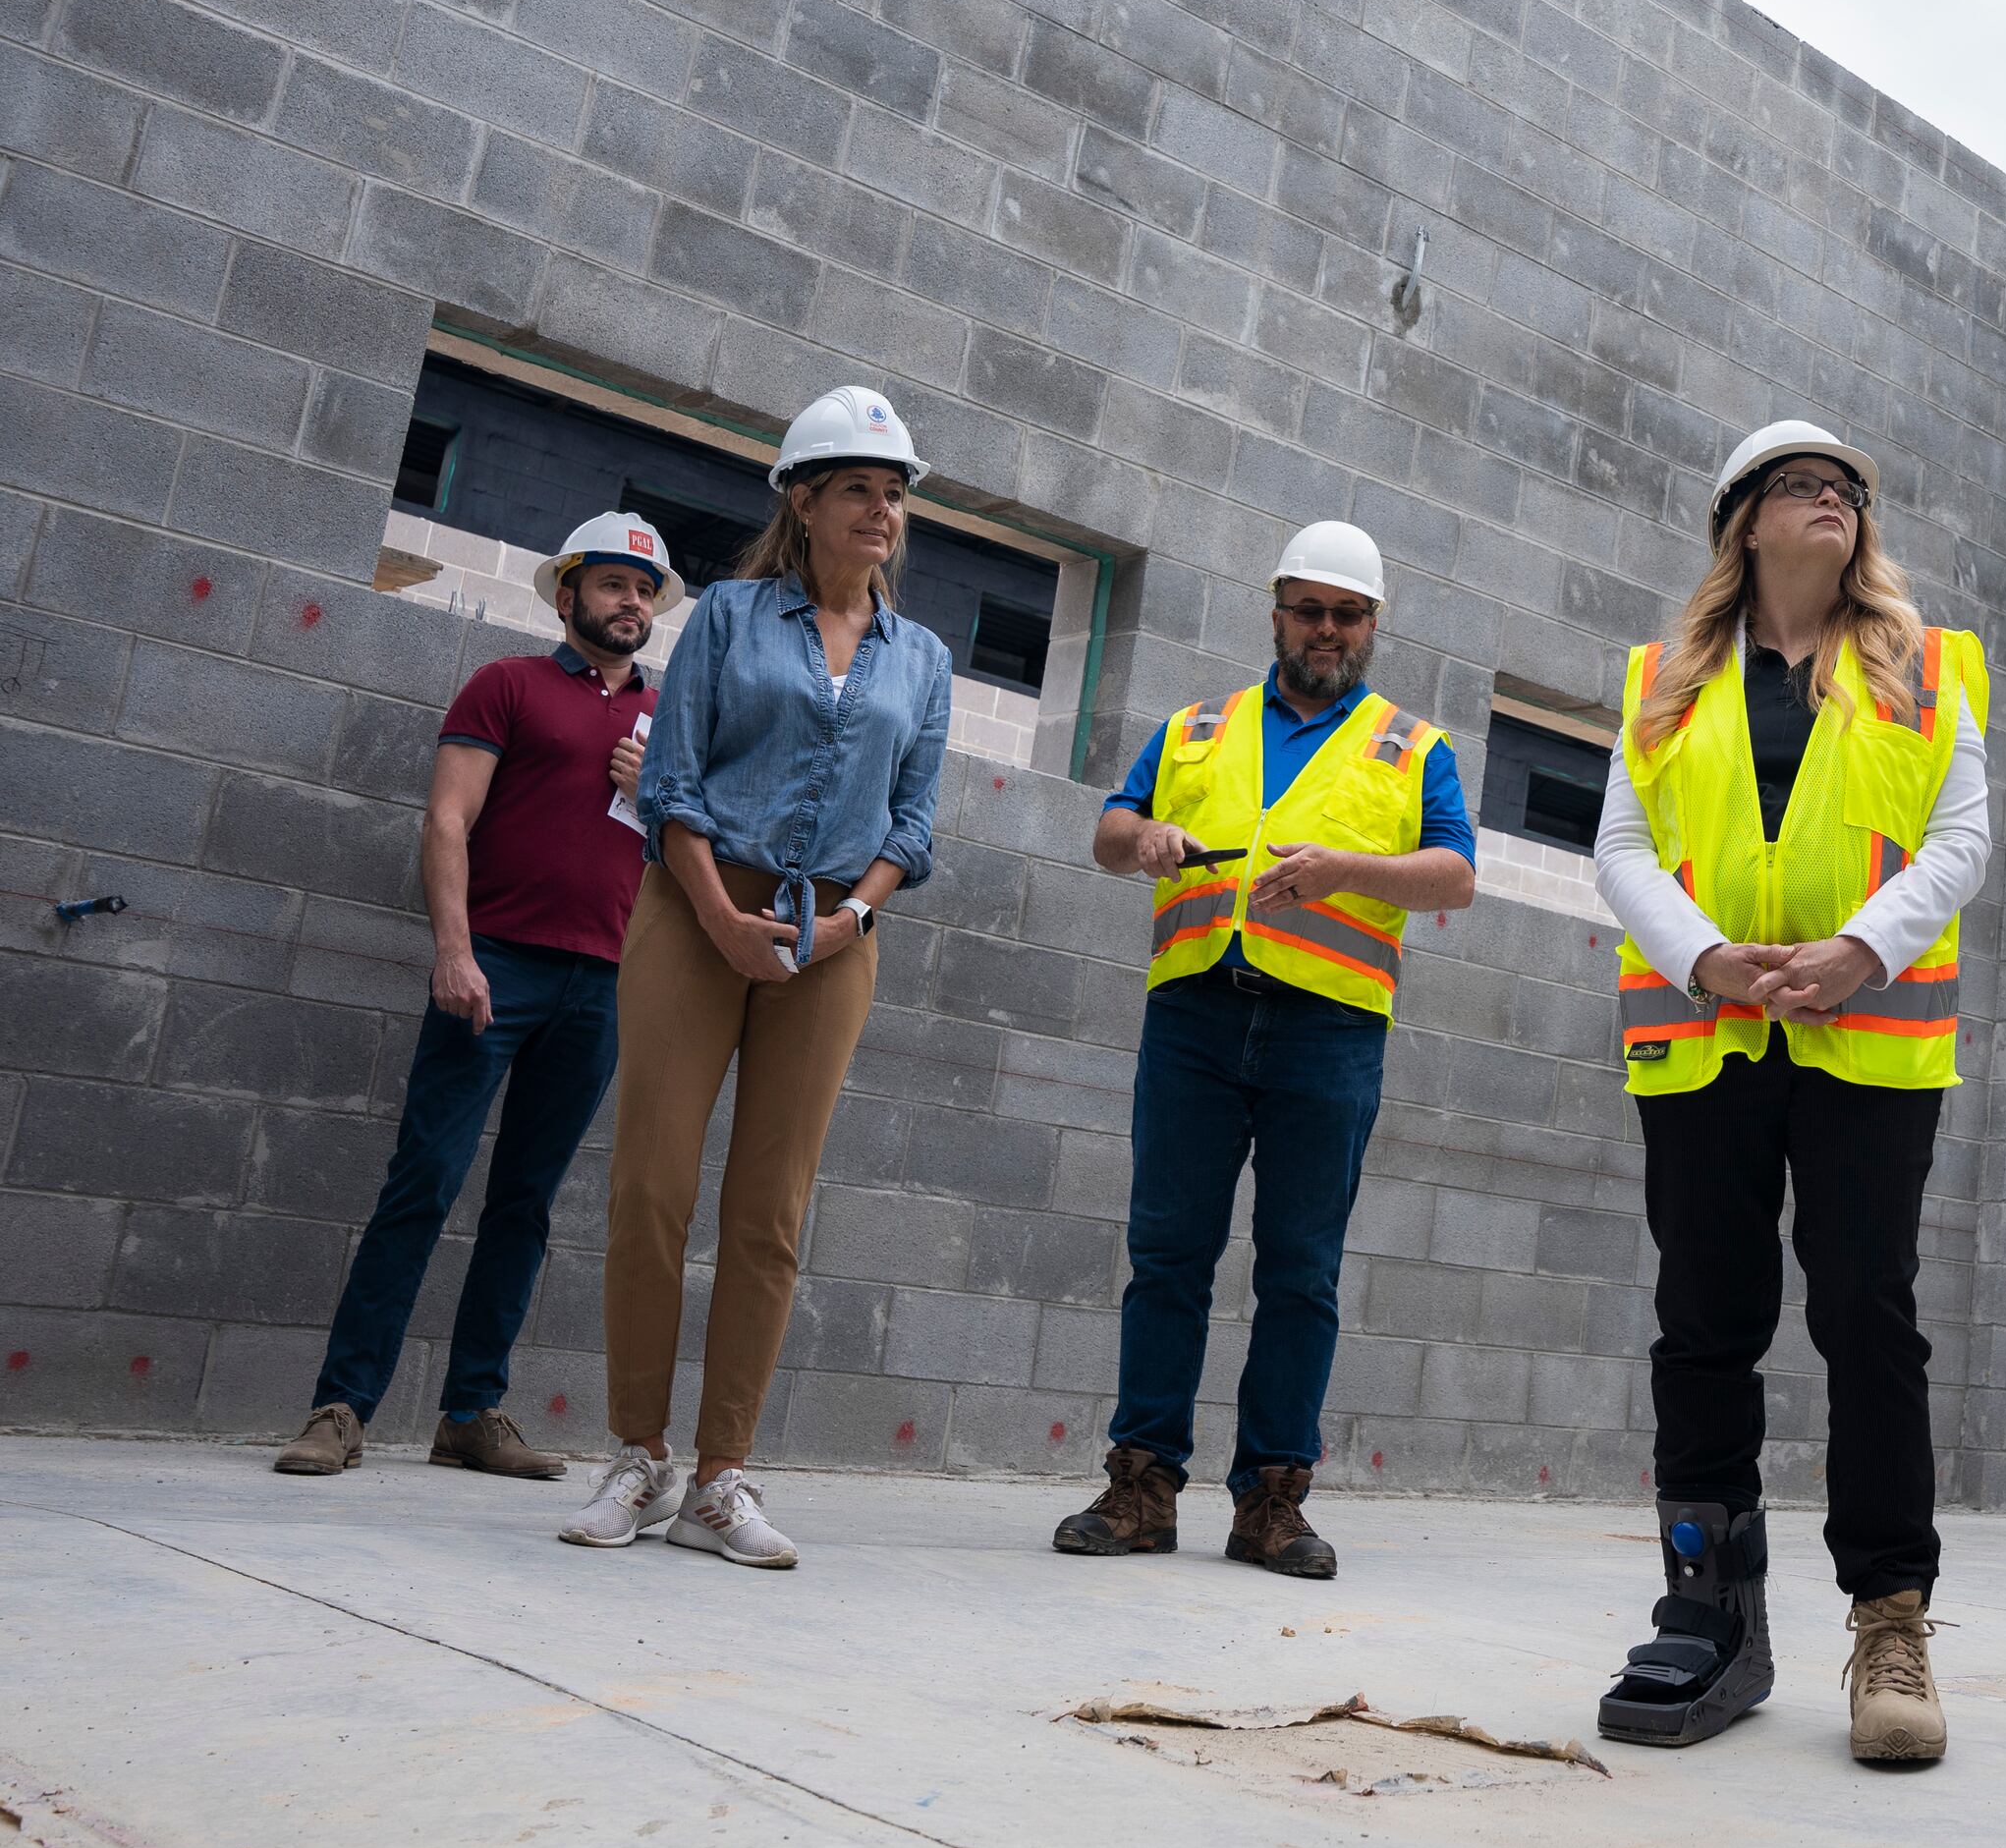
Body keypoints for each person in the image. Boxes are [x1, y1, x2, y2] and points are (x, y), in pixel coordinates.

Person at [1588, 420, 1992, 1765]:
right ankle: (1706, 1604)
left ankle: (1890, 1624)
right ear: (1745, 523)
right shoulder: (1661, 677)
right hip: (1707, 1032)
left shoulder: (1928, 668)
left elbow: (1961, 835)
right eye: (1803, 487)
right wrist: (1699, 956)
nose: (1834, 502)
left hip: (1867, 1035)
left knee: (1865, 1312)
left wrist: (1863, 948)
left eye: (1850, 493)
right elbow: (1625, 843)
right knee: (1705, 1318)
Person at [562, 387, 954, 1572]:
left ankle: (721, 1479)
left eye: (893, 494)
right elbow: (671, 778)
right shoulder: (730, 617)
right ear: (804, 499)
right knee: (652, 1184)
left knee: (771, 1212)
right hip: (695, 910)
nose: (881, 511)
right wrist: (719, 912)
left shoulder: (922, 658)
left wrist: (849, 922)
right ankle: (638, 1451)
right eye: (858, 490)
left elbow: (916, 820)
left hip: (834, 937)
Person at [1050, 520, 1477, 1577]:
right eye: (1309, 609)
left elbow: (1457, 875)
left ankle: (1272, 1502)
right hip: (1195, 1016)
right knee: (1168, 1257)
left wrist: (1350, 870)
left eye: (1348, 614)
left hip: (1329, 1030)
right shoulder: (1196, 725)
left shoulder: (1412, 745)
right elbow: (1110, 829)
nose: (1326, 629)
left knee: (1300, 1271)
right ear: (1277, 611)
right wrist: (1138, 839)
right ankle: (1141, 1487)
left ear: (1372, 625)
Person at [271, 516, 674, 1481]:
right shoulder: (508, 685)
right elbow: (447, 819)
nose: (632, 603)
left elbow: (695, 864)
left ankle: (471, 1412)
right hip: (495, 966)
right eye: (614, 584)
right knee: (424, 1181)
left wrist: (662, 792)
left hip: (605, 984)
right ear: (568, 593)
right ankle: (341, 1405)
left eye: (646, 589)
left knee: (526, 1205)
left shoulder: (672, 727)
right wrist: (454, 950)